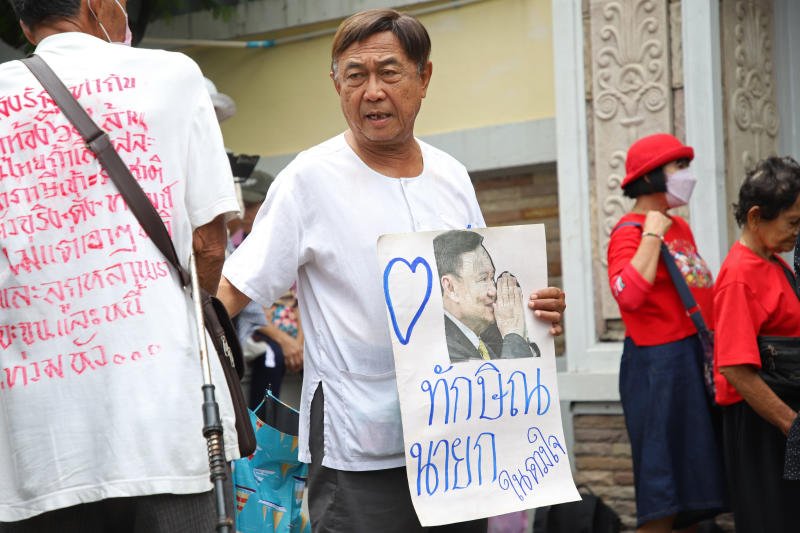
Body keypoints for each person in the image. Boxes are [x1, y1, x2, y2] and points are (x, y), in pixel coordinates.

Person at [216, 8, 565, 532]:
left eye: (389, 72)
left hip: (459, 440)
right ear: (336, 85)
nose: (372, 91)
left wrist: (536, 314)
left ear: (424, 78)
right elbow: (234, 288)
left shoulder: (452, 176)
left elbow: (481, 286)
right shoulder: (308, 180)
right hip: (358, 441)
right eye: (355, 75)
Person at [0, 1, 240, 530]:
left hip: (37, 442)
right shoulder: (171, 74)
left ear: (23, 24)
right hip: (167, 420)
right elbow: (208, 244)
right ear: (95, 4)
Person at [607, 133, 726, 532]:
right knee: (663, 491)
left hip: (691, 362)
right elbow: (629, 295)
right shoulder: (630, 230)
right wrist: (651, 234)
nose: (687, 176)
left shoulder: (682, 228)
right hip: (657, 368)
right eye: (679, 167)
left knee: (693, 488)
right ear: (653, 176)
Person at [714, 156, 800, 532]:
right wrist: (791, 425)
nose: (798, 232)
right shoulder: (738, 276)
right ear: (755, 217)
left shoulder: (774, 261)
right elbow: (734, 367)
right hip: (762, 425)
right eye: (792, 222)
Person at [433, 229, 539, 362]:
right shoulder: (442, 348)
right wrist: (513, 333)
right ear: (451, 288)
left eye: (492, 277)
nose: (493, 291)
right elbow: (507, 381)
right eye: (483, 279)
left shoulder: (485, 339)